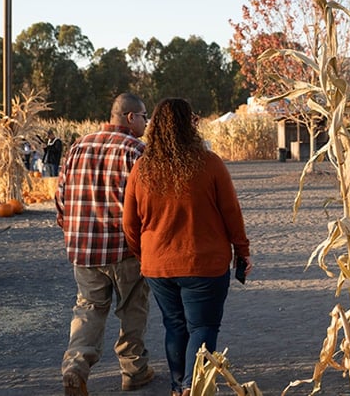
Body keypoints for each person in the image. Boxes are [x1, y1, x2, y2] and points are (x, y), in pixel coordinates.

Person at [123, 98, 252, 396]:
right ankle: (192, 388)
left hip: (158, 265)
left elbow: (130, 223)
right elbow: (232, 213)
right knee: (203, 328)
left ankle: (177, 387)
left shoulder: (142, 169)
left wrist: (145, 257)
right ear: (190, 125)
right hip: (204, 263)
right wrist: (242, 252)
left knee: (175, 326)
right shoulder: (210, 164)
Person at [56, 93, 154, 396]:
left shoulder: (78, 146)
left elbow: (61, 197)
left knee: (88, 308)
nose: (147, 123)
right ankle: (133, 369)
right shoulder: (138, 151)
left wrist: (70, 227)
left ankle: (76, 365)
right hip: (125, 249)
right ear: (130, 117)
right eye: (144, 116)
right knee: (132, 308)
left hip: (84, 249)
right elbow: (148, 204)